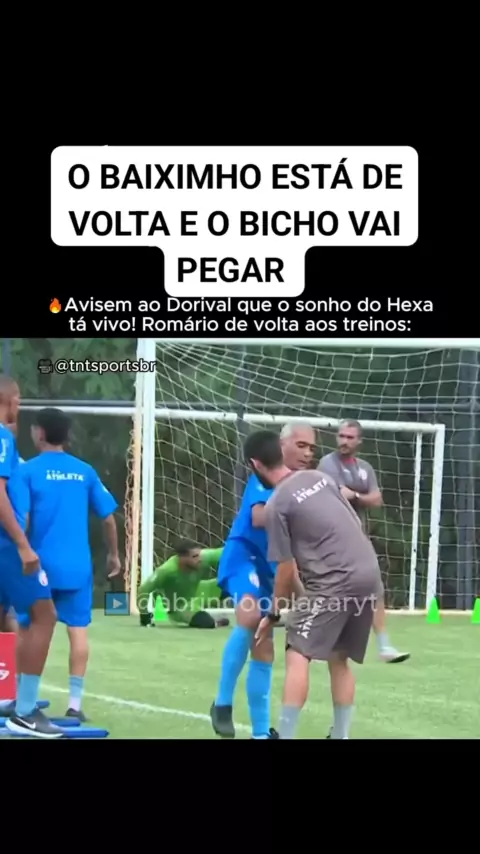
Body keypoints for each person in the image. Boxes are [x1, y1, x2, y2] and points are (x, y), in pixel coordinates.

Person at [251, 429, 382, 740]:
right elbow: (355, 522)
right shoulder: (321, 478)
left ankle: (285, 736)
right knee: (339, 656)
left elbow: (285, 570)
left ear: (256, 464)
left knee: (298, 650)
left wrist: (272, 615)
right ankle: (341, 735)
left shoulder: (277, 505)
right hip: (369, 572)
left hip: (337, 580)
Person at [10, 407, 120, 722]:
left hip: (39, 566)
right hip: (77, 566)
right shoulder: (84, 471)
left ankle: (24, 699)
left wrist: (19, 550)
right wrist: (114, 554)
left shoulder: (27, 471)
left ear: (39, 433)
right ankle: (74, 704)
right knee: (78, 630)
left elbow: (23, 517)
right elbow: (108, 518)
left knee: (27, 628)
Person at [0, 377, 62, 737]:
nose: (20, 406)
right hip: (6, 545)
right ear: (9, 400)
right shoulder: (2, 438)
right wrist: (23, 544)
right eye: (18, 399)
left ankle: (12, 699)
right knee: (44, 615)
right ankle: (25, 711)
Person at [318, 419, 409, 664]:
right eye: (341, 436)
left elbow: (376, 499)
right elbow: (337, 494)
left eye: (349, 437)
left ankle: (385, 646)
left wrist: (356, 495)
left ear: (359, 441)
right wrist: (360, 496)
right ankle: (318, 643)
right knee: (331, 590)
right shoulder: (327, 463)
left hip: (358, 537)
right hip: (331, 537)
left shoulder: (365, 468)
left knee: (374, 586)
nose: (344, 441)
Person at [210, 472, 279, 741]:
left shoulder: (305, 483)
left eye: (311, 450)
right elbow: (258, 517)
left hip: (271, 567)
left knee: (264, 647)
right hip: (244, 556)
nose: (308, 453)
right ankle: (222, 703)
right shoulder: (266, 474)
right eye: (301, 449)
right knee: (250, 616)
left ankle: (261, 733)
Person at [137, 540, 230, 628]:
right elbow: (144, 589)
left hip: (200, 591)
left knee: (231, 582)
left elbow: (228, 551)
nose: (200, 559)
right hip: (180, 607)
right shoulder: (167, 570)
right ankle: (215, 622)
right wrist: (144, 615)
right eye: (195, 556)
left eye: (200, 555)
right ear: (182, 559)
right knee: (207, 623)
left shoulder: (202, 557)